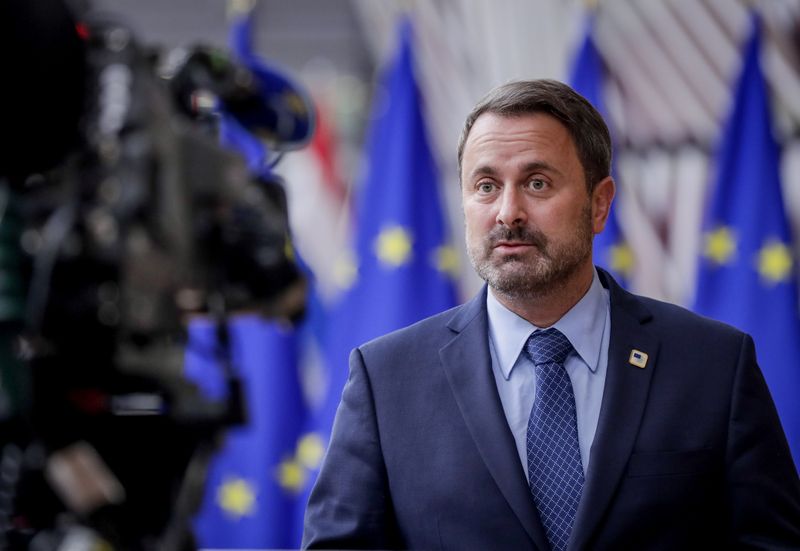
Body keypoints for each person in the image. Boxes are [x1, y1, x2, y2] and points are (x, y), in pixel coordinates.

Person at [302, 79, 800, 550]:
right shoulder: (386, 379)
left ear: (599, 205)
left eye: (537, 183)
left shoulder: (712, 364)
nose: (508, 212)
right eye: (485, 186)